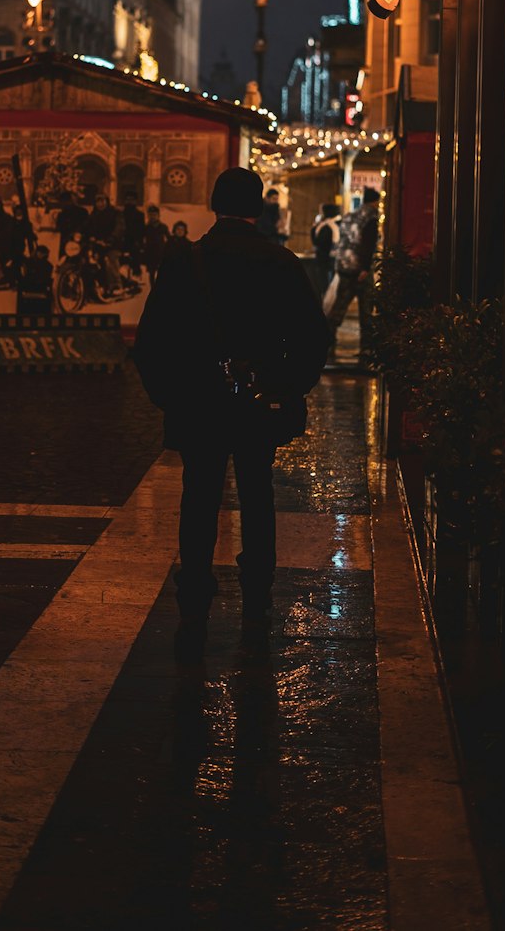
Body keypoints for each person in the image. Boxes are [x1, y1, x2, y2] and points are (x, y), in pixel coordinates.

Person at [132, 166, 329, 663]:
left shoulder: (185, 262)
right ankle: (257, 600)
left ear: (214, 205)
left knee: (198, 498)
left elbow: (152, 341)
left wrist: (169, 396)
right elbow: (312, 339)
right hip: (257, 405)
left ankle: (194, 599)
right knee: (258, 497)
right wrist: (284, 387)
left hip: (199, 404)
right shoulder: (280, 263)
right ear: (258, 208)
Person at [322, 186, 381, 361]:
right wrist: (365, 267)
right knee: (366, 311)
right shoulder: (370, 217)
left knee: (338, 309)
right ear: (375, 201)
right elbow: (368, 245)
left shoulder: (350, 216)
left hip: (344, 267)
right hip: (359, 269)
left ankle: (327, 343)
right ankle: (366, 349)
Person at [85, 192, 124, 294]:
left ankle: (116, 285)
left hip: (112, 245)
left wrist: (112, 238)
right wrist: (77, 234)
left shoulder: (115, 213)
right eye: (98, 201)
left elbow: (119, 227)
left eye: (102, 201)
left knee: (110, 260)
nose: (100, 204)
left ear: (107, 201)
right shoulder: (93, 214)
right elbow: (86, 226)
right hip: (98, 244)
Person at [311, 202, 342, 292]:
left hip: (325, 260)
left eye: (322, 212)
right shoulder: (339, 223)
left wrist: (314, 228)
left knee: (324, 285)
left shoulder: (326, 226)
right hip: (335, 259)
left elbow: (318, 242)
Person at [142, 204, 170, 284]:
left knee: (162, 272)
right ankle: (153, 288)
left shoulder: (163, 227)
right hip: (150, 252)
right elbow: (142, 239)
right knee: (151, 272)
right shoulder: (146, 227)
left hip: (161, 252)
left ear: (158, 215)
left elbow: (169, 238)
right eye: (150, 215)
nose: (152, 217)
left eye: (154, 215)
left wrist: (168, 248)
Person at [121, 191, 145, 281]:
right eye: (127, 199)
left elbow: (141, 230)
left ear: (135, 201)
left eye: (132, 200)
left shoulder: (140, 215)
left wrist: (139, 242)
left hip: (134, 240)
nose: (129, 202)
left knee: (135, 253)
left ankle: (136, 273)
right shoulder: (120, 214)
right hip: (122, 240)